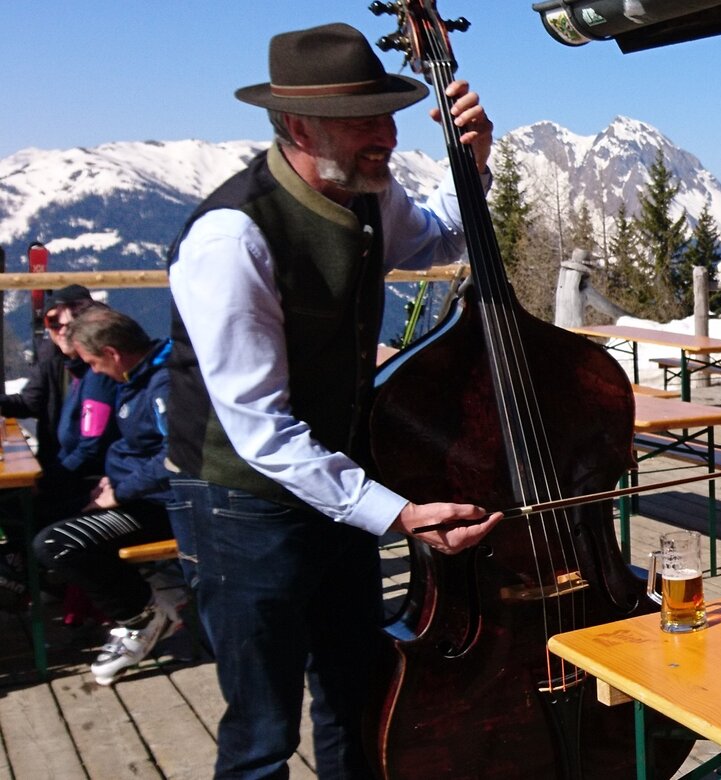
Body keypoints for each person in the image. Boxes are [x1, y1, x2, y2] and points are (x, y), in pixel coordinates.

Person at [166, 22, 501, 778]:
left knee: (358, 695)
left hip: (333, 487)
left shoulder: (366, 194)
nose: (383, 135)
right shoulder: (233, 238)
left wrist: (472, 163)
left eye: (385, 114)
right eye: (361, 122)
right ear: (296, 126)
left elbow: (441, 237)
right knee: (262, 732)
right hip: (238, 500)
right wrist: (398, 513)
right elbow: (262, 431)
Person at [32, 308, 180, 686]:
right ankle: (139, 599)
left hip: (157, 505)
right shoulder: (137, 377)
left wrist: (121, 491)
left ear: (112, 353)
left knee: (56, 544)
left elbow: (179, 455)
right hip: (128, 492)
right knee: (42, 511)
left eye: (93, 362)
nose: (94, 371)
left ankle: (142, 616)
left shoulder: (162, 384)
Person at [0, 290, 120, 609]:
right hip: (65, 466)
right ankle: (33, 575)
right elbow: (30, 402)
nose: (61, 330)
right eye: (52, 322)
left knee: (20, 508)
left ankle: (38, 580)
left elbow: (92, 446)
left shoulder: (100, 372)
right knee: (10, 503)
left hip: (95, 476)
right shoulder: (55, 356)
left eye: (69, 321)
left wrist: (48, 479)